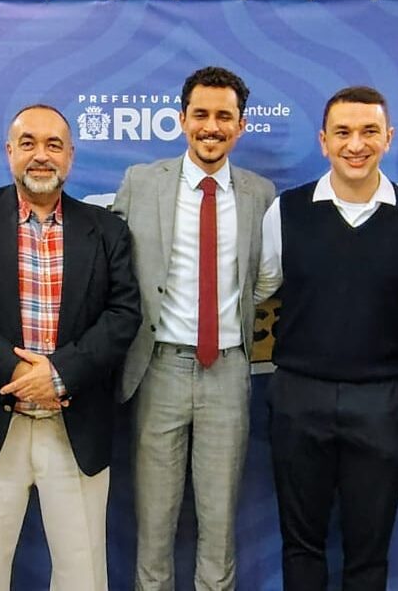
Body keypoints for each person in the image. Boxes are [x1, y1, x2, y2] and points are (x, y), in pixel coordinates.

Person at [0, 104, 142, 591]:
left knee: (82, 574)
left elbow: (124, 314)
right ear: (9, 153)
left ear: (70, 156)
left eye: (53, 145)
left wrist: (59, 374)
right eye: (28, 144)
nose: (40, 156)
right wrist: (18, 374)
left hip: (75, 425)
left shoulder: (106, 229)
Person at [255, 86, 398, 590]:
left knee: (369, 551)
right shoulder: (286, 211)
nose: (356, 144)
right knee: (302, 545)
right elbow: (258, 290)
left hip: (379, 402)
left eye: (369, 132)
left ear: (388, 137)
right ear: (323, 141)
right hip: (297, 396)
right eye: (343, 132)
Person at [114, 66, 276, 591]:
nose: (211, 126)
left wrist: (226, 319)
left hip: (228, 370)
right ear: (181, 119)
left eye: (224, 116)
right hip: (157, 367)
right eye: (200, 114)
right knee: (154, 522)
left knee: (219, 521)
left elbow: (264, 278)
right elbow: (112, 269)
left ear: (240, 126)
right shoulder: (142, 182)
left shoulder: (259, 193)